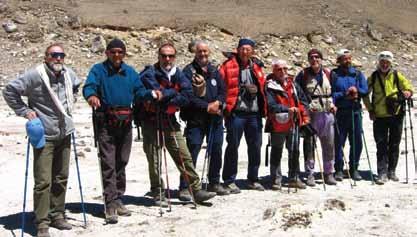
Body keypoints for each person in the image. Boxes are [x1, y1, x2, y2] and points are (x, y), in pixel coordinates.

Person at [3, 43, 80, 237]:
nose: (58, 58)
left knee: (61, 177)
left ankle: (57, 215)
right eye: (54, 55)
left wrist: (71, 104)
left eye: (61, 55)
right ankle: (42, 222)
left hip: (64, 133)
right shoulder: (34, 75)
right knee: (43, 181)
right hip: (44, 135)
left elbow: (77, 87)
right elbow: (9, 90)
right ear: (45, 57)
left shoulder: (68, 75)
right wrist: (25, 111)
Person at [83, 38, 155, 224]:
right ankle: (110, 204)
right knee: (108, 163)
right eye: (113, 52)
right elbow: (89, 86)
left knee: (122, 161)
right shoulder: (98, 70)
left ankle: (118, 198)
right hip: (106, 123)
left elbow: (139, 91)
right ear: (107, 53)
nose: (116, 55)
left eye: (120, 52)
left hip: (125, 122)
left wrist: (151, 94)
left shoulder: (130, 72)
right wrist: (91, 95)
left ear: (124, 54)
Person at [137, 42, 216, 204]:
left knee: (184, 155)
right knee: (154, 159)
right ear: (158, 56)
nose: (167, 59)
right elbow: (152, 94)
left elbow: (187, 96)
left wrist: (167, 95)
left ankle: (196, 189)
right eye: (164, 56)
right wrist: (174, 93)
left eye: (170, 56)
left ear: (175, 57)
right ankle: (157, 191)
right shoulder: (149, 73)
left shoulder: (178, 73)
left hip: (170, 120)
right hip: (151, 120)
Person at [178, 40, 229, 201]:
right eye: (200, 51)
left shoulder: (215, 70)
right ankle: (185, 187)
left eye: (205, 52)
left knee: (216, 150)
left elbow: (223, 90)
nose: (203, 54)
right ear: (195, 52)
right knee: (191, 152)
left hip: (215, 119)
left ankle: (214, 182)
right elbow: (188, 96)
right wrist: (207, 106)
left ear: (209, 53)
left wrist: (218, 103)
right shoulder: (188, 71)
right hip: (196, 119)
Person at [219, 38, 267, 193]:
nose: (245, 52)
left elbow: (263, 87)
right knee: (233, 146)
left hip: (254, 113)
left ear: (252, 51)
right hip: (236, 113)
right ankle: (229, 180)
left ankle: (253, 179)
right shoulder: (228, 66)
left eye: (248, 49)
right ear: (238, 50)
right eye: (242, 49)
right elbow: (221, 86)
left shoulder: (257, 67)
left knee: (255, 147)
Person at [363, 51, 414, 183]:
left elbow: (408, 87)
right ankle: (382, 172)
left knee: (394, 144)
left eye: (387, 62)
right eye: (382, 62)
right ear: (379, 63)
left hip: (396, 114)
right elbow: (364, 93)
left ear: (390, 63)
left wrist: (408, 92)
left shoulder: (397, 75)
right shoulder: (373, 77)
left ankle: (392, 171)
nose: (384, 64)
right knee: (381, 144)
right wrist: (370, 109)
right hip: (379, 116)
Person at [295, 49, 337, 186]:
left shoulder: (329, 74)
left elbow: (335, 91)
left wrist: (334, 104)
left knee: (329, 144)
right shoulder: (303, 74)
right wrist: (305, 108)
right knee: (309, 144)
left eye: (317, 57)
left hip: (327, 112)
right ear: (308, 60)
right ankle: (310, 173)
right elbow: (298, 93)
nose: (315, 59)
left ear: (321, 59)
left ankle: (329, 172)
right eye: (311, 57)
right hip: (311, 114)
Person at [265, 59, 310, 190]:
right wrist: (287, 109)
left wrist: (301, 111)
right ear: (274, 71)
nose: (282, 72)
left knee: (294, 151)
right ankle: (275, 179)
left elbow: (303, 100)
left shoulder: (293, 84)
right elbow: (271, 105)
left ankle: (294, 177)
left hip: (293, 122)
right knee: (276, 151)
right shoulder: (270, 86)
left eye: (285, 69)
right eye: (279, 69)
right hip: (278, 123)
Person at [331, 49, 368, 181]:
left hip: (355, 112)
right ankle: (339, 169)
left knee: (357, 142)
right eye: (344, 58)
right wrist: (344, 94)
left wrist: (357, 90)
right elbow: (331, 94)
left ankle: (354, 168)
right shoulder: (334, 75)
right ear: (339, 60)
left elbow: (365, 90)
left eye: (349, 58)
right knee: (339, 142)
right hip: (340, 113)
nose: (347, 61)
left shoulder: (357, 74)